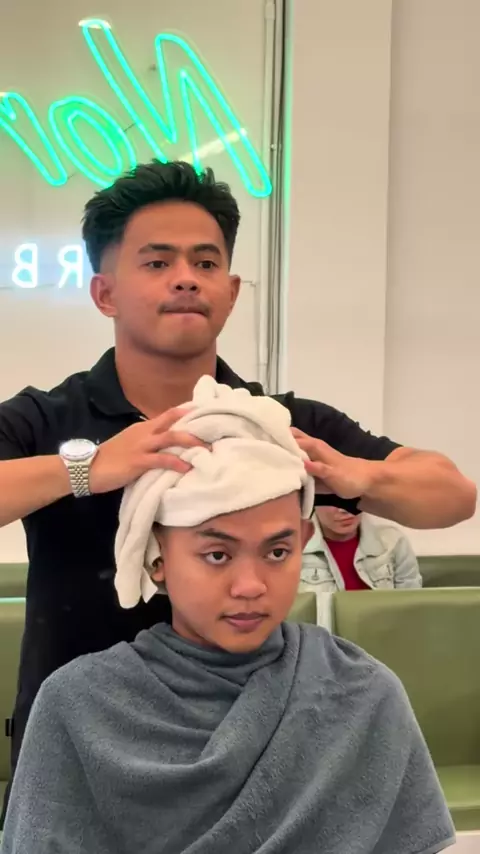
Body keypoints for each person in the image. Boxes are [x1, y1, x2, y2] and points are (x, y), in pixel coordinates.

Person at [0, 160, 475, 822]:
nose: (185, 278)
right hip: (82, 751)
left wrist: (355, 476)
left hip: (252, 755)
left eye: (205, 262)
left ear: (229, 292)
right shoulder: (48, 419)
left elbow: (451, 495)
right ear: (105, 293)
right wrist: (90, 468)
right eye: (157, 262)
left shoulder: (274, 425)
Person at [0, 379, 455, 854]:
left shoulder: (362, 693)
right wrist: (85, 468)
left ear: (302, 544)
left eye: (277, 552)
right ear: (157, 558)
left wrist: (362, 476)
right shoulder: (77, 707)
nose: (250, 585)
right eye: (217, 555)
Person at [301, 506, 422, 593]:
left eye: (351, 496)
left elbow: (410, 608)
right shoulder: (296, 549)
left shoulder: (394, 542)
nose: (344, 510)